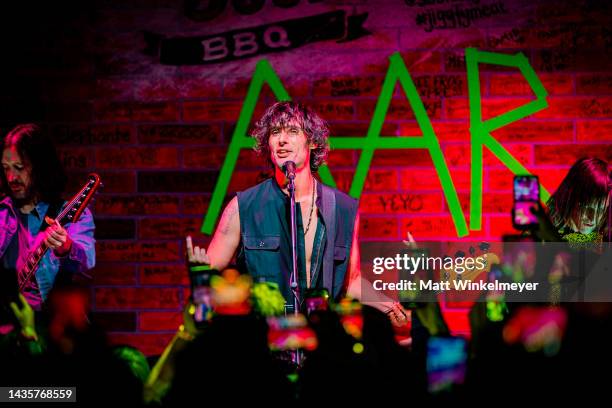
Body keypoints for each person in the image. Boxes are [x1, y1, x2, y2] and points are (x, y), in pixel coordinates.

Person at [186, 101, 408, 325]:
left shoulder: (342, 209)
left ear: (312, 142)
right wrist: (201, 273)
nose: (282, 139)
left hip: (321, 343)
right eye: (275, 132)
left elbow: (351, 280)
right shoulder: (242, 207)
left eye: (292, 131)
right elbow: (212, 280)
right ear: (268, 144)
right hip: (265, 344)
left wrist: (389, 307)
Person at [0, 124, 95, 310]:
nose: (11, 177)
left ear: (40, 166)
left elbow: (87, 264)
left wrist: (66, 247)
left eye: (19, 167)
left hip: (50, 328)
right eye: (6, 168)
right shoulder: (2, 214)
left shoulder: (72, 214)